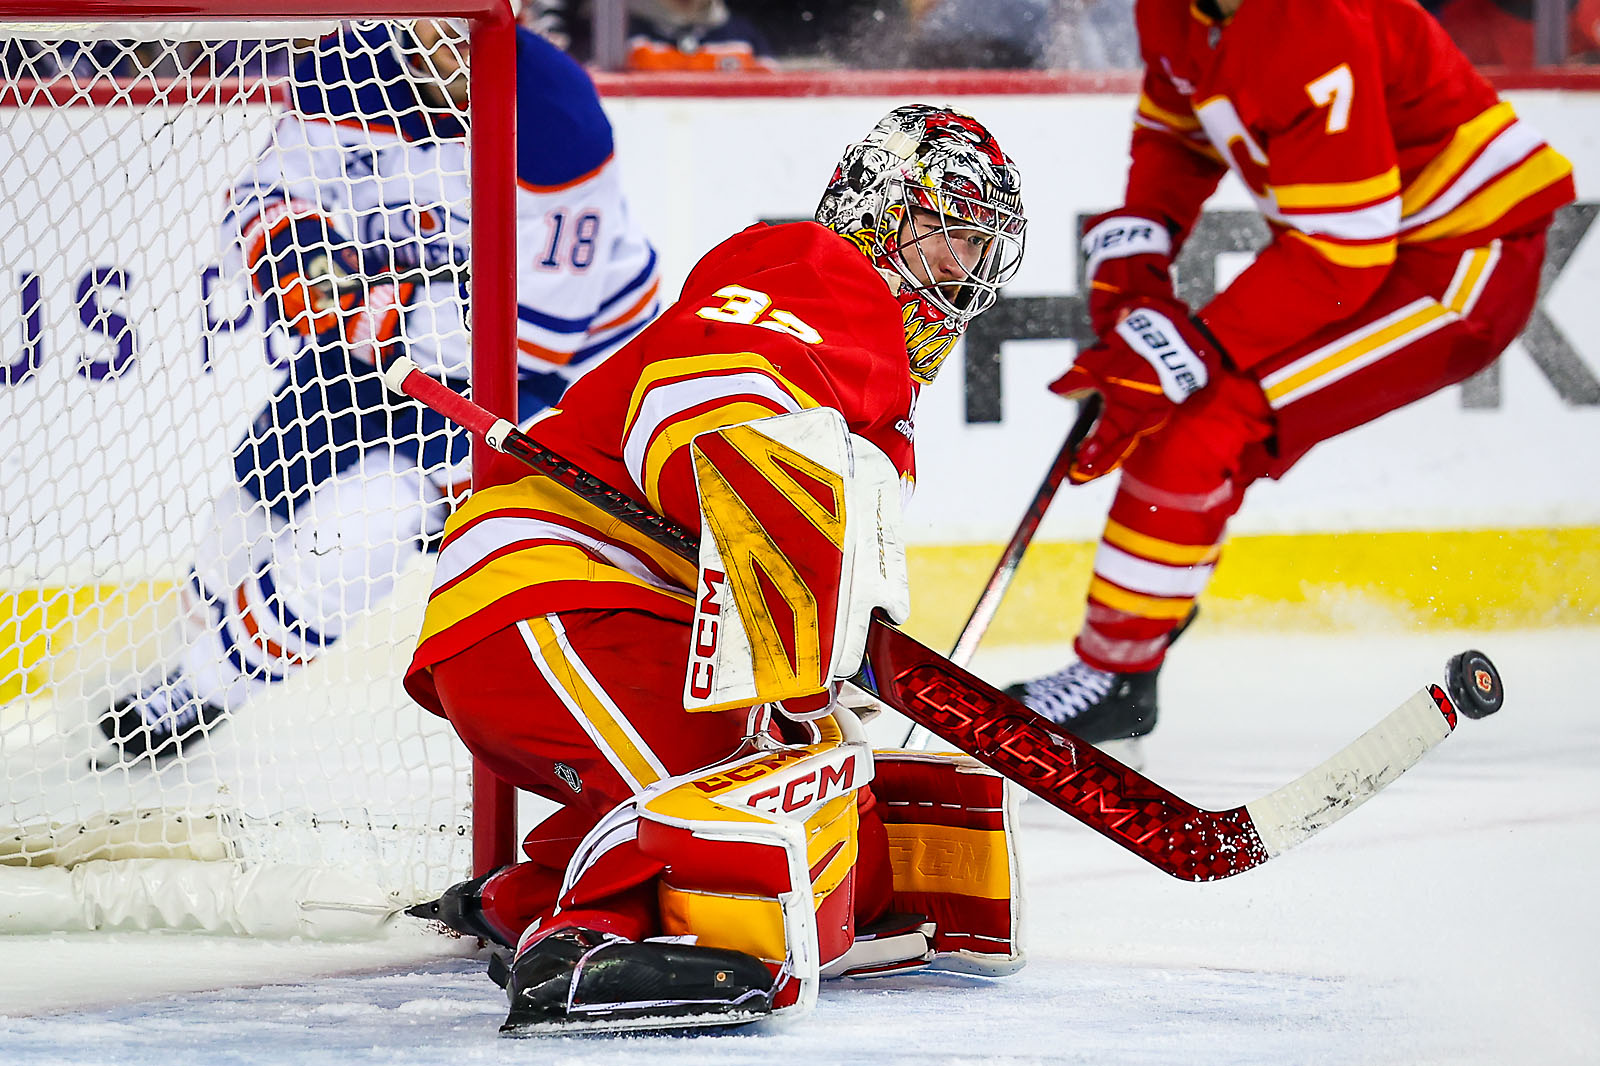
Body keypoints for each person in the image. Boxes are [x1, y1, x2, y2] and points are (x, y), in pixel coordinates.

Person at [402, 104, 1028, 1034]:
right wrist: (793, 613)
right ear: (883, 214)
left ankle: (526, 894)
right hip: (556, 595)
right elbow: (696, 414)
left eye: (979, 249)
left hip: (622, 622)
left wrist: (814, 669)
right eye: (950, 235)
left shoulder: (870, 362)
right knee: (710, 793)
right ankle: (579, 945)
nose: (962, 270)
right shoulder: (818, 270)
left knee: (773, 774)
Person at [1006, 0, 1575, 766]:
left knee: (1209, 421)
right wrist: (1137, 254)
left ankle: (1116, 675)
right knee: (1190, 426)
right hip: (1371, 251)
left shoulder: (1317, 19)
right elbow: (1178, 131)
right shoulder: (1172, 11)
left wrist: (1179, 349)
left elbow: (1341, 252)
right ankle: (1123, 663)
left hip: (1464, 260)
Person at [95, 20, 660, 764]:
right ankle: (184, 664)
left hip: (539, 387)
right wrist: (300, 257)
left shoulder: (555, 110)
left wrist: (367, 307)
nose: (452, 34)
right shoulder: (347, 68)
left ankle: (206, 691)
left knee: (363, 526)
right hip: (375, 353)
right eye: (434, 11)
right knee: (252, 501)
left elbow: (541, 332)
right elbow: (264, 198)